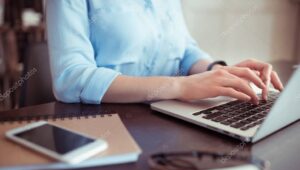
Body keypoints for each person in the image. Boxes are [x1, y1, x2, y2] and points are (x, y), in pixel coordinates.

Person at [46, 0, 283, 105]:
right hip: (107, 126)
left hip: (172, 116)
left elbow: (185, 49)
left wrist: (219, 72)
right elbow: (70, 77)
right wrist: (181, 87)